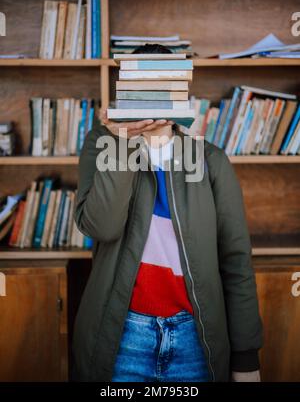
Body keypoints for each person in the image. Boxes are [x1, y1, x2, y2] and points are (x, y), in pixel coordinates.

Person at [72, 44, 263, 383]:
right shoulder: (102, 144)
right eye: (141, 86)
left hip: (195, 337)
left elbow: (236, 263)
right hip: (122, 335)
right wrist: (122, 141)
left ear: (181, 93)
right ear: (125, 93)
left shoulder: (211, 160)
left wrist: (246, 359)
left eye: (164, 85)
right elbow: (101, 226)